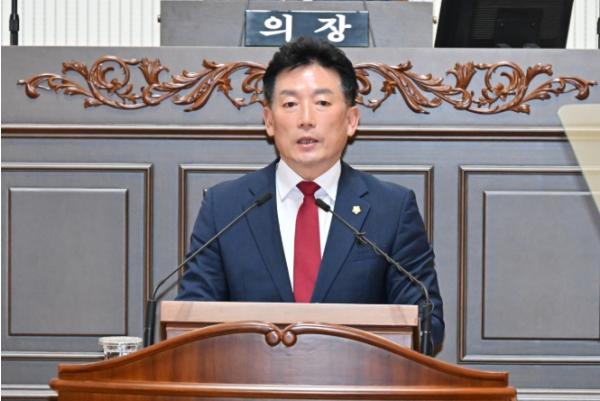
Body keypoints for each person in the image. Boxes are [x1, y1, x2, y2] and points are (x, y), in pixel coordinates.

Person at [177, 37, 444, 353]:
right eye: (290, 104)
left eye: (322, 103)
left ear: (351, 121)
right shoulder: (225, 207)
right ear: (269, 121)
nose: (306, 119)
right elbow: (192, 323)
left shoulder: (392, 209)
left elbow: (427, 326)